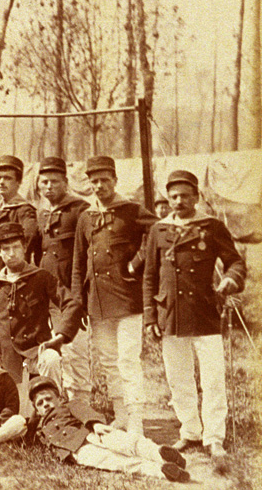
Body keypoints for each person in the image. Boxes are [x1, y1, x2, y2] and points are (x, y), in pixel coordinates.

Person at [143, 169, 246, 458]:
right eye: (173, 196)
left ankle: (214, 437)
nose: (178, 201)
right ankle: (189, 431)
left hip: (204, 314)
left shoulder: (211, 227)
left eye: (184, 196)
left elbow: (235, 262)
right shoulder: (158, 230)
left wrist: (229, 280)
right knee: (179, 377)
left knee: (212, 379)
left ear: (196, 197)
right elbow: (149, 276)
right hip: (170, 315)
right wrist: (151, 317)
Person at [71, 156, 157, 435]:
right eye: (94, 181)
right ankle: (121, 415)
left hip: (128, 300)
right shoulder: (86, 217)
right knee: (108, 361)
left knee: (128, 360)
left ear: (115, 181)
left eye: (104, 180)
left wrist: (138, 261)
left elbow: (157, 232)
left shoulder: (131, 210)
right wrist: (78, 302)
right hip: (98, 303)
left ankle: (136, 421)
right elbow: (78, 263)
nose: (99, 186)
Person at [0, 222, 79, 406]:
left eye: (16, 247)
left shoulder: (41, 277)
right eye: (6, 249)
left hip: (37, 351)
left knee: (52, 360)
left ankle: (55, 414)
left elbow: (71, 302)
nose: (11, 253)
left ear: (25, 248)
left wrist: (60, 336)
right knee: (18, 412)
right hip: (9, 358)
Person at [26, 376, 190, 482]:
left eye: (48, 399)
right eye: (40, 403)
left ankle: (159, 453)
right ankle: (161, 470)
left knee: (128, 442)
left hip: (91, 433)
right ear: (36, 409)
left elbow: (83, 411)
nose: (45, 404)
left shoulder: (68, 405)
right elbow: (26, 435)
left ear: (59, 398)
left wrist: (95, 424)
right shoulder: (40, 428)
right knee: (116, 461)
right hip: (78, 452)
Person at [35, 156, 94, 404]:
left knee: (75, 352)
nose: (49, 186)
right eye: (45, 182)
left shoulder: (80, 210)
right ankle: (55, 405)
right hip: (47, 295)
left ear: (66, 182)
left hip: (72, 293)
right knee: (50, 353)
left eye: (55, 182)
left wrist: (81, 293)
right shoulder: (41, 214)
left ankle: (80, 406)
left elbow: (89, 253)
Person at [0, 156, 39, 283]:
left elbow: (27, 242)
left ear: (18, 182)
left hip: (12, 277)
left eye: (7, 178)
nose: (2, 182)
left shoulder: (24, 210)